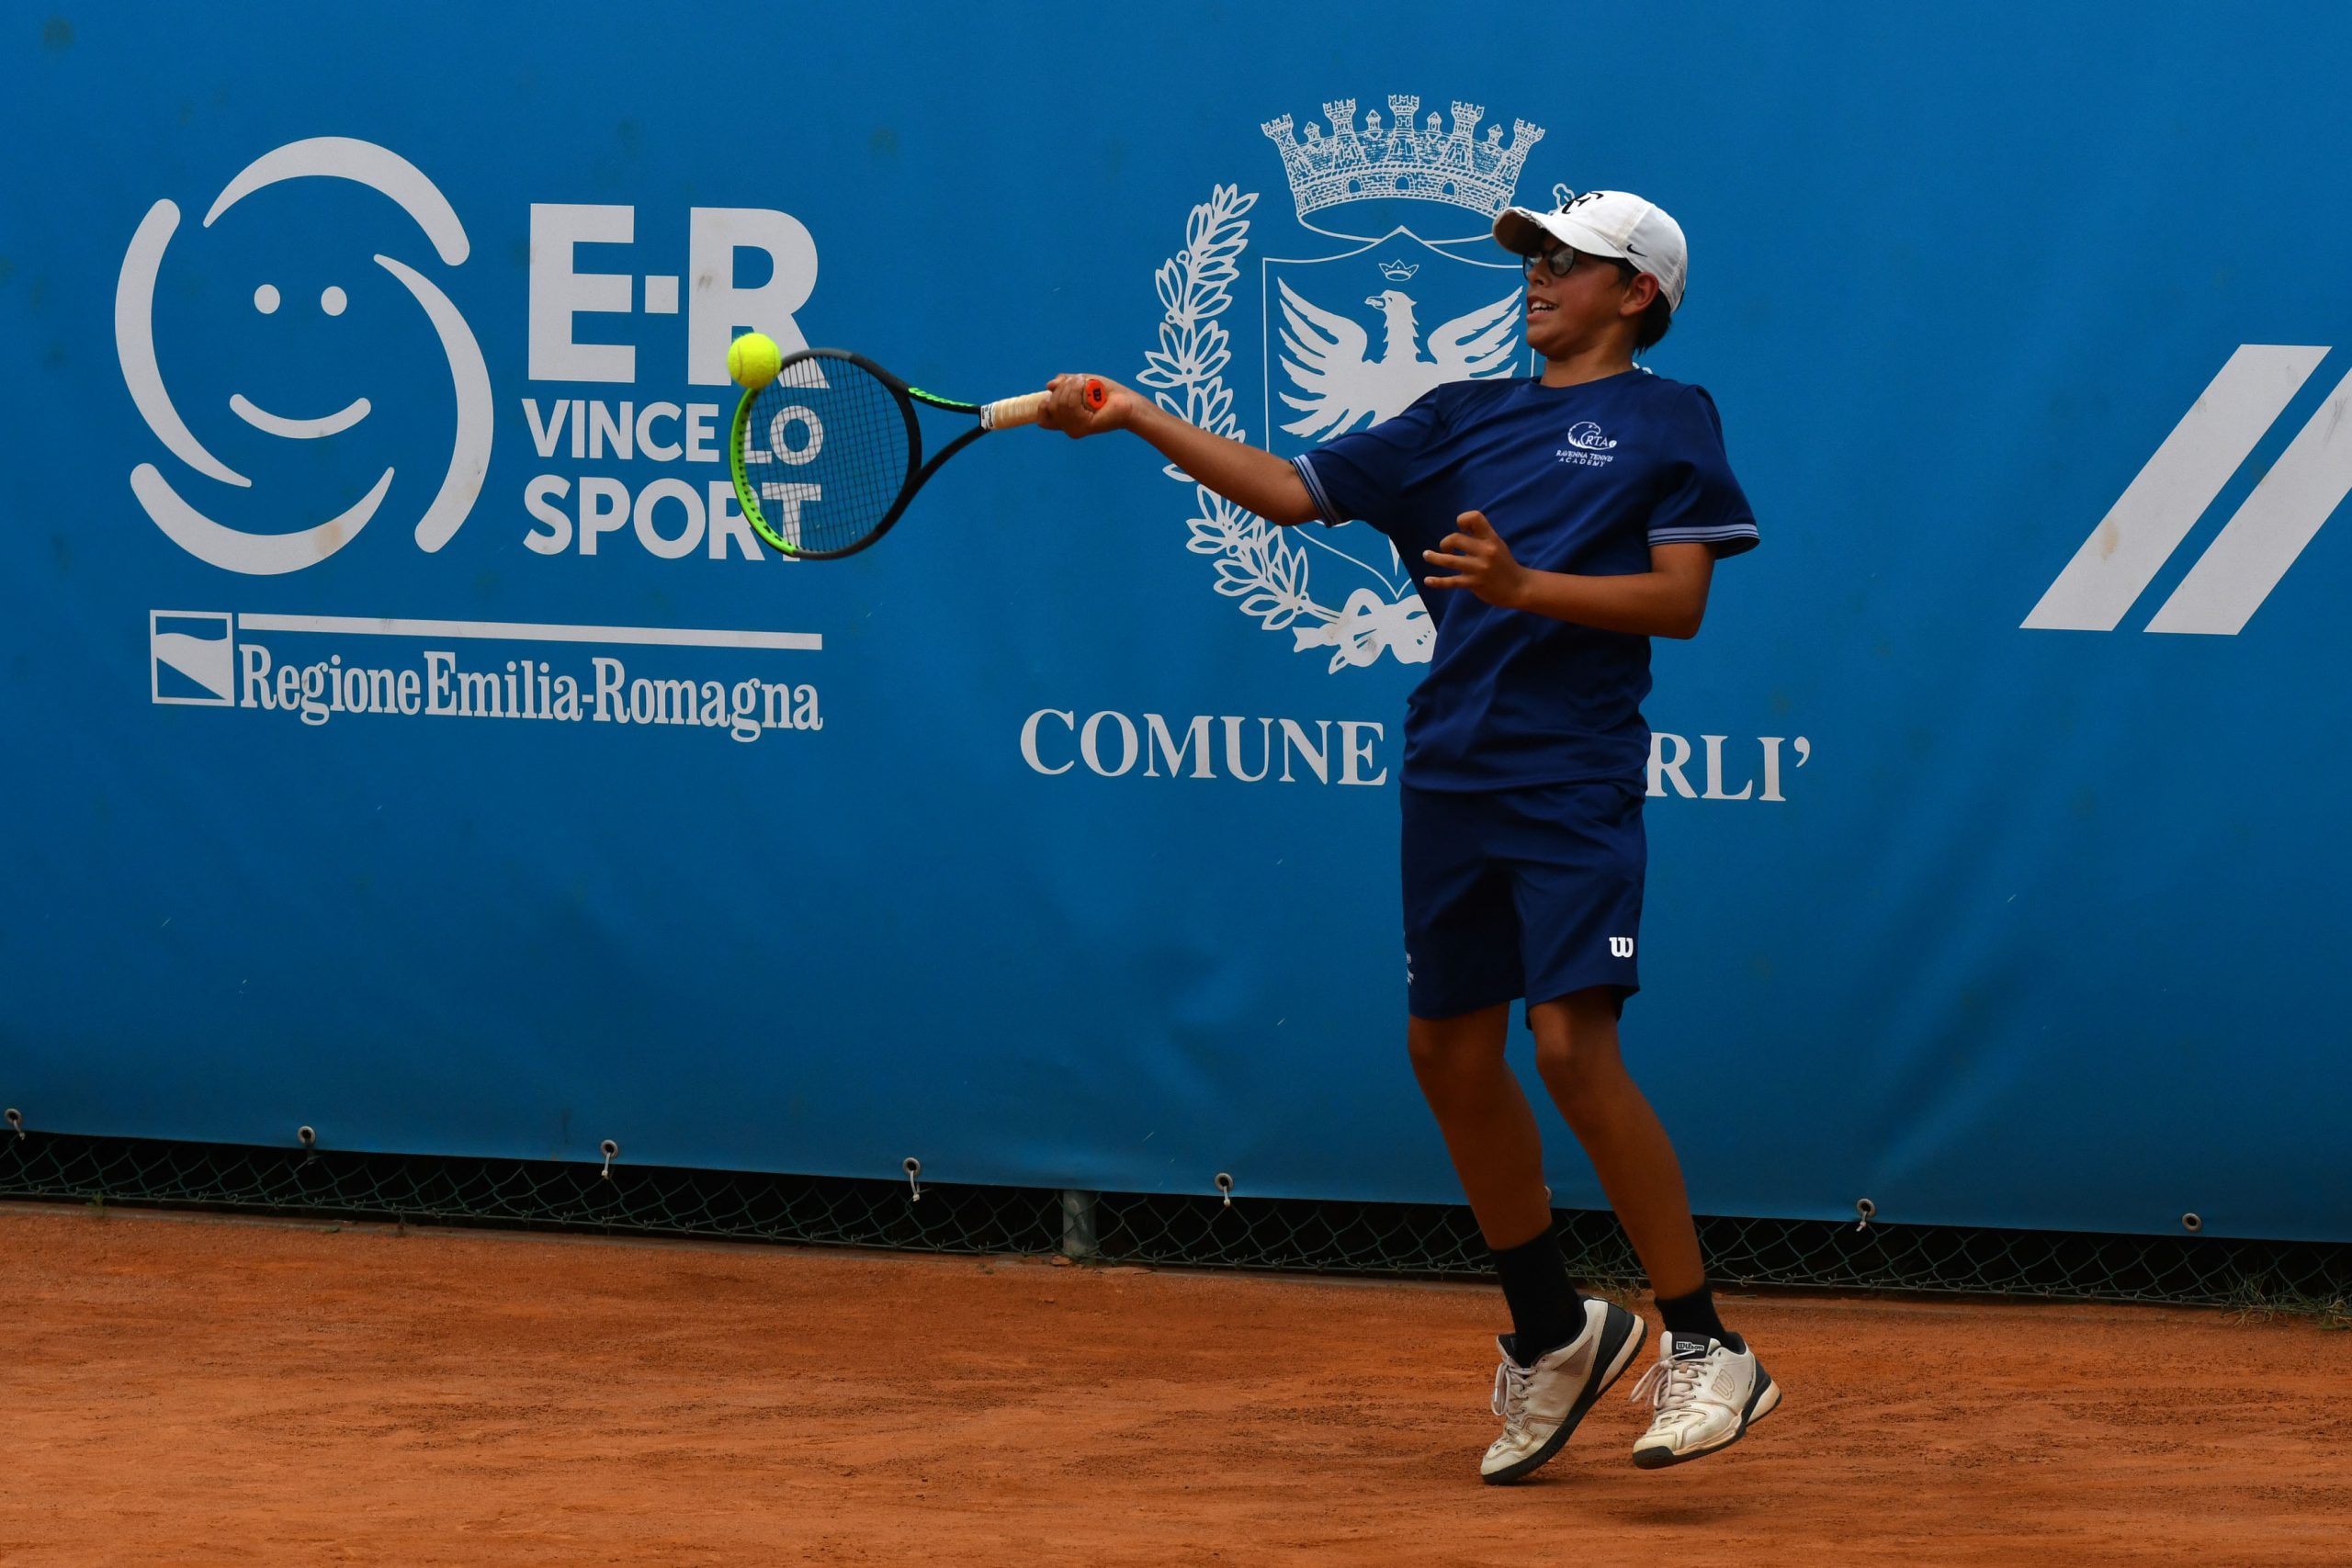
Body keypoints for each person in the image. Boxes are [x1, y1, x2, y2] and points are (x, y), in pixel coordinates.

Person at [1038, 189, 1775, 1483]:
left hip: (1570, 777)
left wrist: (1521, 585)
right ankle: (1554, 1335)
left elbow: (1679, 601)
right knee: (1445, 1050)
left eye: (1570, 261)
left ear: (1638, 292)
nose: (1539, 275)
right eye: (1534, 257)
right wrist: (1137, 413)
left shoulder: (1670, 416)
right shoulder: (1460, 414)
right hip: (1450, 772)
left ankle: (1708, 1345)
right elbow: (1288, 489)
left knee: (1568, 1043)